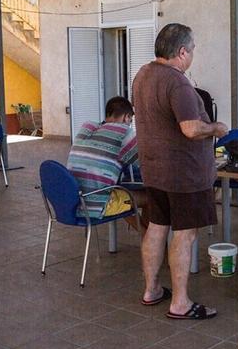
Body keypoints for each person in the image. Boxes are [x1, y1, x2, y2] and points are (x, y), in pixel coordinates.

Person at [133, 23, 229, 320]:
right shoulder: (177, 82)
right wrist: (216, 128)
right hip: (184, 175)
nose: (194, 55)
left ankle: (152, 290)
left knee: (157, 228)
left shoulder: (143, 75)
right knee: (184, 235)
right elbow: (190, 128)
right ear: (182, 51)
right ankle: (180, 303)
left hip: (154, 169)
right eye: (193, 49)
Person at [67, 96, 142, 229]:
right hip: (95, 205)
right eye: (130, 120)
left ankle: (148, 239)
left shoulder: (87, 126)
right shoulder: (124, 132)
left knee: (120, 193)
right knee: (152, 197)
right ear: (126, 117)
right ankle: (154, 245)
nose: (130, 123)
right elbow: (146, 161)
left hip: (72, 202)